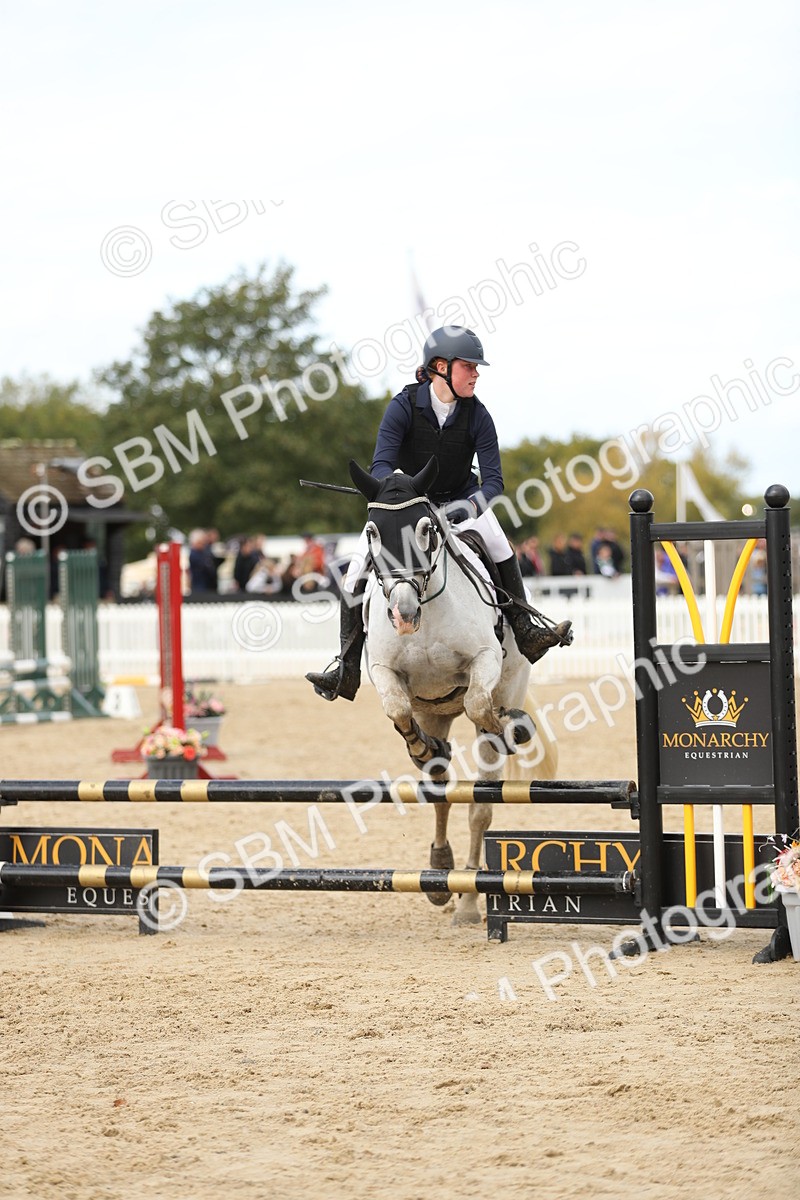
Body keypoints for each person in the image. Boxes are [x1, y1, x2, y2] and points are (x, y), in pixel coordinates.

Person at [306, 325, 572, 702]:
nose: (476, 373)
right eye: (469, 366)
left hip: (462, 499)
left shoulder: (478, 415)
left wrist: (469, 508)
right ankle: (347, 668)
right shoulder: (403, 406)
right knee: (355, 572)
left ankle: (525, 629)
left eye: (476, 367)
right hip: (409, 503)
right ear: (441, 367)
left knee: (499, 544)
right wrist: (402, 497)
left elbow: (494, 481)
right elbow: (381, 465)